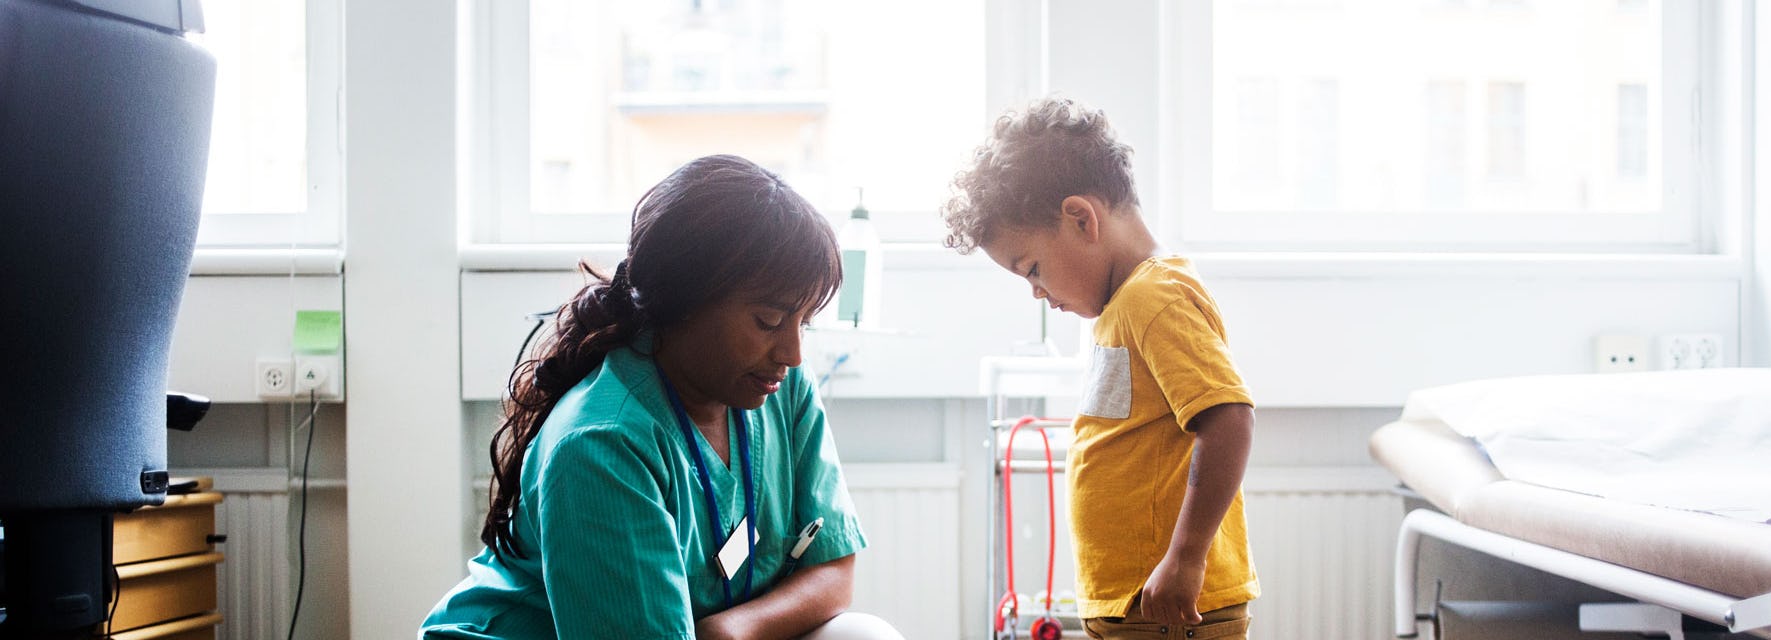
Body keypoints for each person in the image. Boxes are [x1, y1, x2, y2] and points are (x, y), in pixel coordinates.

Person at [423, 155, 904, 640]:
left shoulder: (777, 389)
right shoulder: (602, 445)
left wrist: (733, 630)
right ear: (684, 302)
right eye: (769, 322)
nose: (794, 353)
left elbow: (835, 570)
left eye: (806, 322)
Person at [943, 98, 1259, 639]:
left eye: (1033, 269)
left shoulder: (1154, 297)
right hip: (1130, 602)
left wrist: (1185, 559)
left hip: (1168, 605)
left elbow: (1228, 418)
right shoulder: (1122, 307)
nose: (1038, 292)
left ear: (1081, 218)